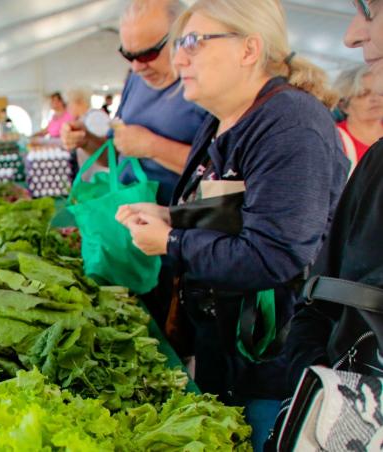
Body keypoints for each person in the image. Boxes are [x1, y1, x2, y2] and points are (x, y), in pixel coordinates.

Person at [116, 1, 347, 450]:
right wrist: (173, 216)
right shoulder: (222, 120)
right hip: (225, 345)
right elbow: (235, 211)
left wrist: (171, 241)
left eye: (192, 43)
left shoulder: (290, 125)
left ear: (249, 49)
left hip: (272, 361)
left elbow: (274, 255)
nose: (179, 58)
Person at [285, 0, 383, 417]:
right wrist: (321, 392)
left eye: (371, 9)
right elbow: (321, 298)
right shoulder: (376, 163)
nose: (351, 36)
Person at [62, 0, 208, 207]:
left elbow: (224, 172)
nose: (138, 67)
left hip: (180, 226)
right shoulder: (135, 79)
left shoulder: (207, 83)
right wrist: (86, 140)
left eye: (148, 54)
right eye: (128, 56)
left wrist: (153, 147)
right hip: (132, 222)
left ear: (183, 35)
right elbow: (118, 156)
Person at [333, 64, 383, 172]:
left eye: (380, 92)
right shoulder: (333, 138)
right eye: (363, 94)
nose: (375, 98)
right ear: (343, 105)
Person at [66, 87, 110, 167]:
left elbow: (105, 149)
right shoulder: (83, 118)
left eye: (69, 103)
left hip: (100, 173)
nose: (68, 108)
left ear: (79, 102)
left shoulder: (96, 117)